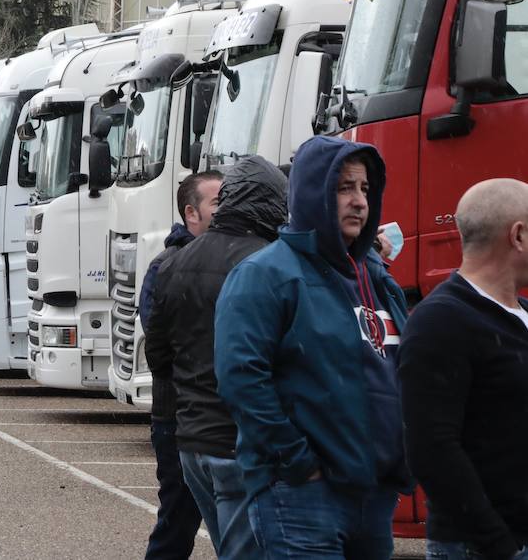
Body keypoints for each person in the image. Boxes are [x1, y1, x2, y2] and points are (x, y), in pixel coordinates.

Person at [216, 136, 410, 560]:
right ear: (311, 193)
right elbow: (241, 377)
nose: (359, 201)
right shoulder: (265, 274)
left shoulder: (375, 277)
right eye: (343, 188)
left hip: (374, 494)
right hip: (302, 495)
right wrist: (296, 459)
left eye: (364, 189)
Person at [145, 160, 282, 560]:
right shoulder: (270, 261)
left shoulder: (172, 263)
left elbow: (158, 355)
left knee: (205, 536)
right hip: (239, 440)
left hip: (193, 438)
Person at [400, 178, 528, 560]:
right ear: (518, 236)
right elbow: (431, 450)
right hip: (483, 547)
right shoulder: (441, 321)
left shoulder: (522, 314)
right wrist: (498, 545)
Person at [137, 169, 223, 560]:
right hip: (177, 416)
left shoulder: (233, 258)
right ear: (192, 213)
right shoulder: (166, 266)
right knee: (178, 518)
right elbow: (160, 345)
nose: (227, 211)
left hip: (215, 418)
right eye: (217, 203)